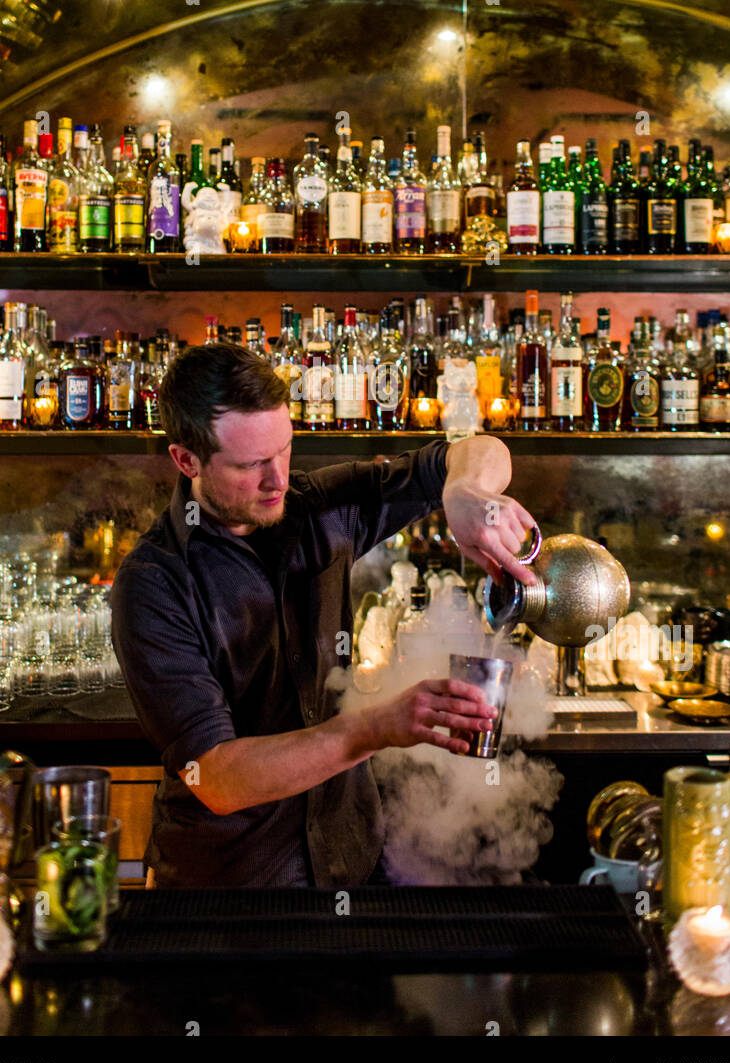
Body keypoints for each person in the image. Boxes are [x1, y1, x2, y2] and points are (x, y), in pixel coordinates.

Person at [110, 342, 538, 888]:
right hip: (227, 888)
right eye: (250, 465)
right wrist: (378, 726)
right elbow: (217, 778)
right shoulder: (154, 582)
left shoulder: (318, 506)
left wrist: (465, 491)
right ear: (186, 460)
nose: (278, 480)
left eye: (284, 450)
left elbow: (480, 448)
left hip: (349, 860)